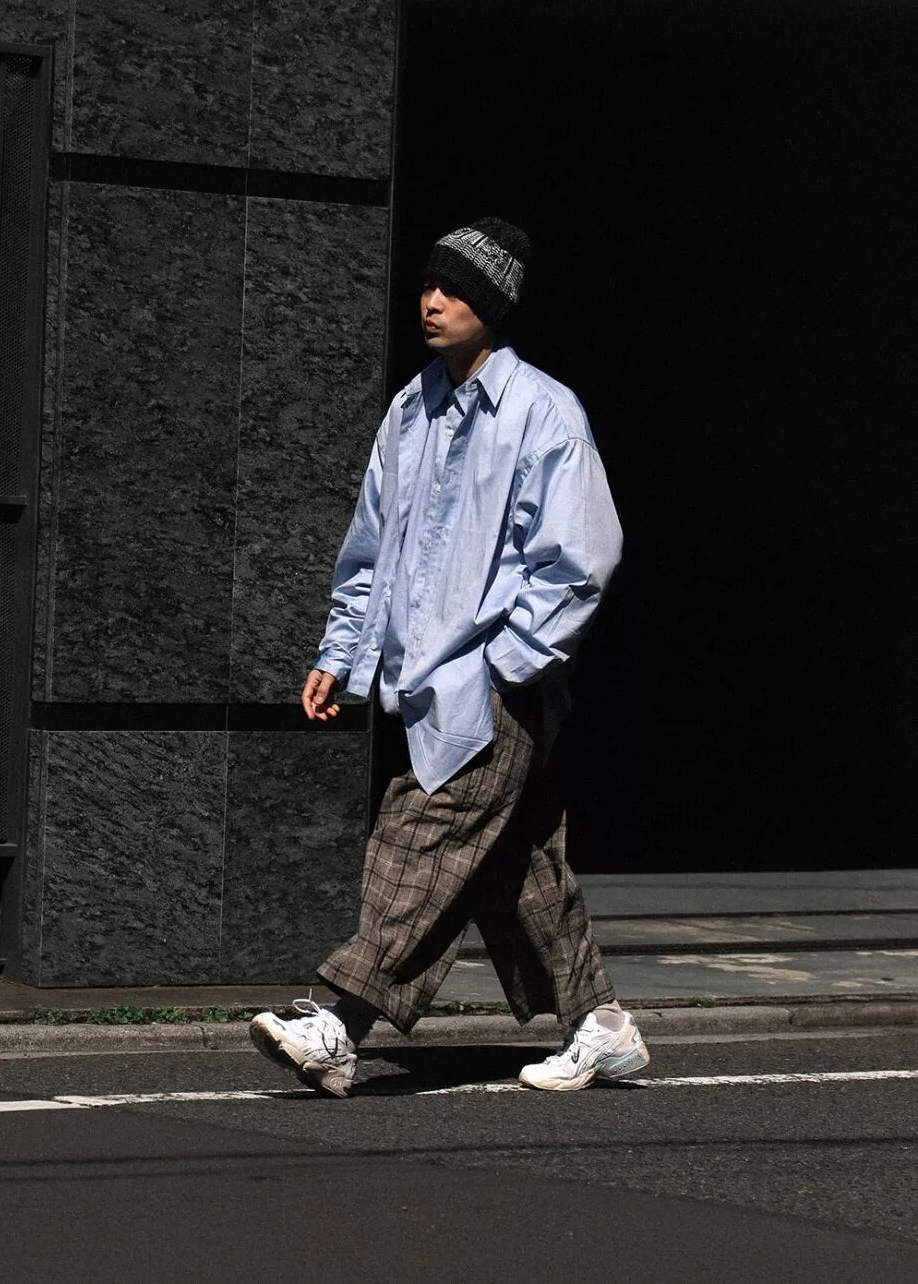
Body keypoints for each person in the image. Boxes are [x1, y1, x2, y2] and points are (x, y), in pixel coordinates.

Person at [250, 218, 648, 1098]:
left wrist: (507, 662)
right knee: (516, 863)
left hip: (491, 684)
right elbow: (371, 548)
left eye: (455, 289)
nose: (431, 301)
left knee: (419, 836)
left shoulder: (543, 411)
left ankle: (338, 1024)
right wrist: (341, 652)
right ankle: (602, 1025)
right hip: (423, 681)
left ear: (493, 306)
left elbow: (583, 556)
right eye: (429, 284)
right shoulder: (410, 409)